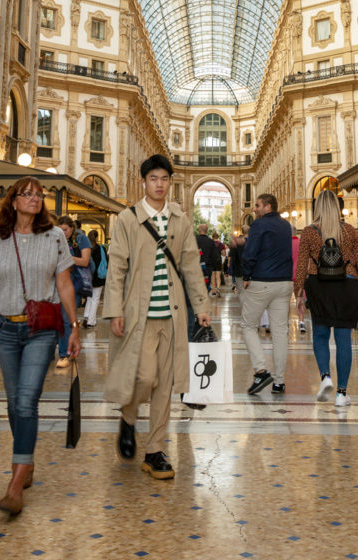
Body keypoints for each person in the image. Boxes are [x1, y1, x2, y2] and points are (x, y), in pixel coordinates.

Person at [0, 177, 80, 515]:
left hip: (40, 331)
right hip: (5, 330)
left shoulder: (54, 237)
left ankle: (15, 479)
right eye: (27, 194)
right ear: (13, 201)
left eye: (39, 194)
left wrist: (74, 328)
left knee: (26, 402)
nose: (35, 198)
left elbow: (65, 285)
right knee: (13, 404)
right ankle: (27, 461)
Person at [103, 154, 209, 480]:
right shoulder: (128, 219)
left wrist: (201, 306)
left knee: (165, 384)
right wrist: (114, 310)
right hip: (139, 316)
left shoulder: (180, 220)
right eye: (153, 179)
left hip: (173, 315)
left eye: (164, 179)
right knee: (144, 377)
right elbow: (117, 266)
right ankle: (129, 415)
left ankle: (155, 449)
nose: (159, 185)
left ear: (169, 182)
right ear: (144, 182)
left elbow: (190, 264)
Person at [295, 189, 358, 407]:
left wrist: (298, 293)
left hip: (318, 286)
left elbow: (302, 264)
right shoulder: (348, 230)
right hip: (346, 285)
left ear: (317, 207)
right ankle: (341, 394)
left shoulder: (309, 232)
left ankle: (325, 377)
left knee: (320, 334)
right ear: (337, 207)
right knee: (343, 338)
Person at [240, 194, 293, 395]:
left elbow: (250, 253)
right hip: (284, 282)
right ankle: (279, 382)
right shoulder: (286, 226)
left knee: (248, 325)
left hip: (262, 281)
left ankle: (261, 370)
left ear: (268, 206)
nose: (254, 209)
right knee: (280, 332)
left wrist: (246, 274)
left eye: (257, 205)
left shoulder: (259, 225)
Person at [56, 215, 91, 369]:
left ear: (72, 228)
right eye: (60, 230)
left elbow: (85, 261)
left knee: (66, 317)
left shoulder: (81, 239)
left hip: (75, 283)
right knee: (58, 318)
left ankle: (64, 354)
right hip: (58, 282)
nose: (63, 233)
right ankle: (68, 347)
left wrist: (67, 258)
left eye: (66, 230)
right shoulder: (56, 239)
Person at [83, 230, 107, 327]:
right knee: (95, 299)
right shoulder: (101, 248)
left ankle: (86, 317)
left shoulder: (86, 248)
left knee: (89, 298)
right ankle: (91, 321)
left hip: (88, 277)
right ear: (97, 238)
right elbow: (106, 262)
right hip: (99, 277)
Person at [196, 223, 219, 295]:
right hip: (207, 268)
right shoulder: (211, 242)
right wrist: (213, 266)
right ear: (206, 231)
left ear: (199, 230)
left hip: (196, 268)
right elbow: (215, 256)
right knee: (206, 285)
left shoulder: (194, 240)